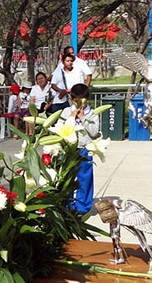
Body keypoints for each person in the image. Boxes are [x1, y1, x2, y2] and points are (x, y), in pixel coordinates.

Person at [60, 84, 100, 214]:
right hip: (69, 149)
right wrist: (71, 117)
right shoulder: (66, 112)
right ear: (72, 99)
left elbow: (94, 132)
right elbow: (60, 128)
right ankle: (67, 205)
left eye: (82, 101)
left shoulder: (92, 113)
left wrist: (83, 118)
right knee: (67, 178)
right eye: (76, 101)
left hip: (84, 148)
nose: (79, 104)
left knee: (85, 178)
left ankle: (83, 207)